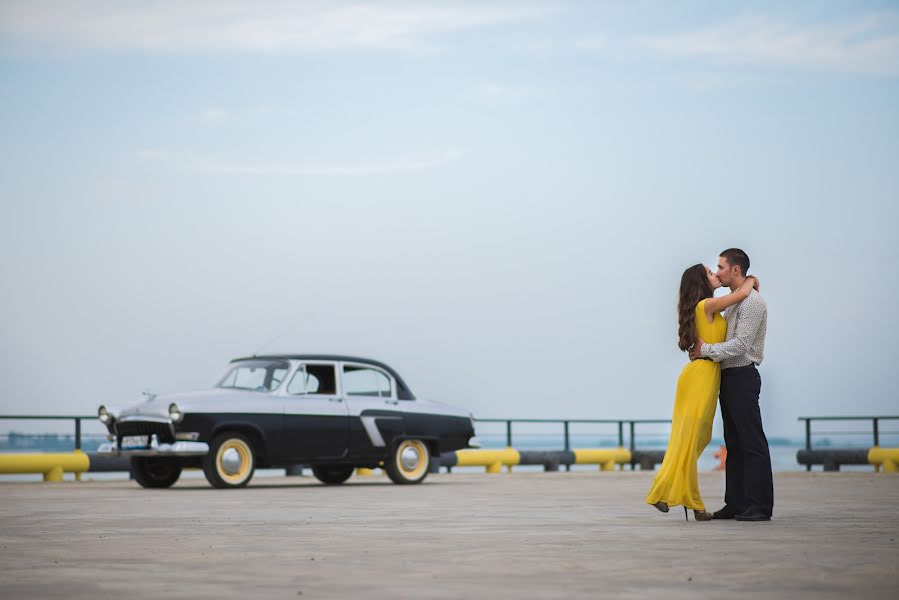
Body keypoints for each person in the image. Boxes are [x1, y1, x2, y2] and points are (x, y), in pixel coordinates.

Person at [645, 262, 758, 521]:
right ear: (701, 282)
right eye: (710, 272)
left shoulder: (712, 309)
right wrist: (750, 279)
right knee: (688, 440)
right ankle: (667, 495)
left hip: (707, 377)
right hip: (699, 378)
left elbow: (735, 306)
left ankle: (685, 499)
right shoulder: (705, 306)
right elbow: (741, 294)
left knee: (698, 438)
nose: (716, 274)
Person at [690, 248, 772, 522]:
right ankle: (735, 503)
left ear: (736, 270)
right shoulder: (737, 300)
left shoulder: (752, 304)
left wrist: (706, 350)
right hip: (728, 378)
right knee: (733, 444)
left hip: (743, 376)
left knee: (752, 442)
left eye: (721, 267)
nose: (718, 271)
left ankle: (759, 506)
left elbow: (740, 346)